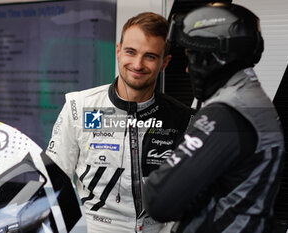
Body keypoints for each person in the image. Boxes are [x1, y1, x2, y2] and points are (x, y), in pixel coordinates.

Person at [45, 12, 194, 233]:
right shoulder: (79, 107)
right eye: (130, 52)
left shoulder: (184, 119)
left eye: (150, 56)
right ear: (118, 51)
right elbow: (54, 183)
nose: (138, 64)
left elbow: (191, 191)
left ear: (165, 63)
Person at [143, 3, 285, 233]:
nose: (187, 69)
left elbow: (159, 200)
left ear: (213, 56)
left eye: (190, 55)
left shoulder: (227, 115)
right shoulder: (252, 100)